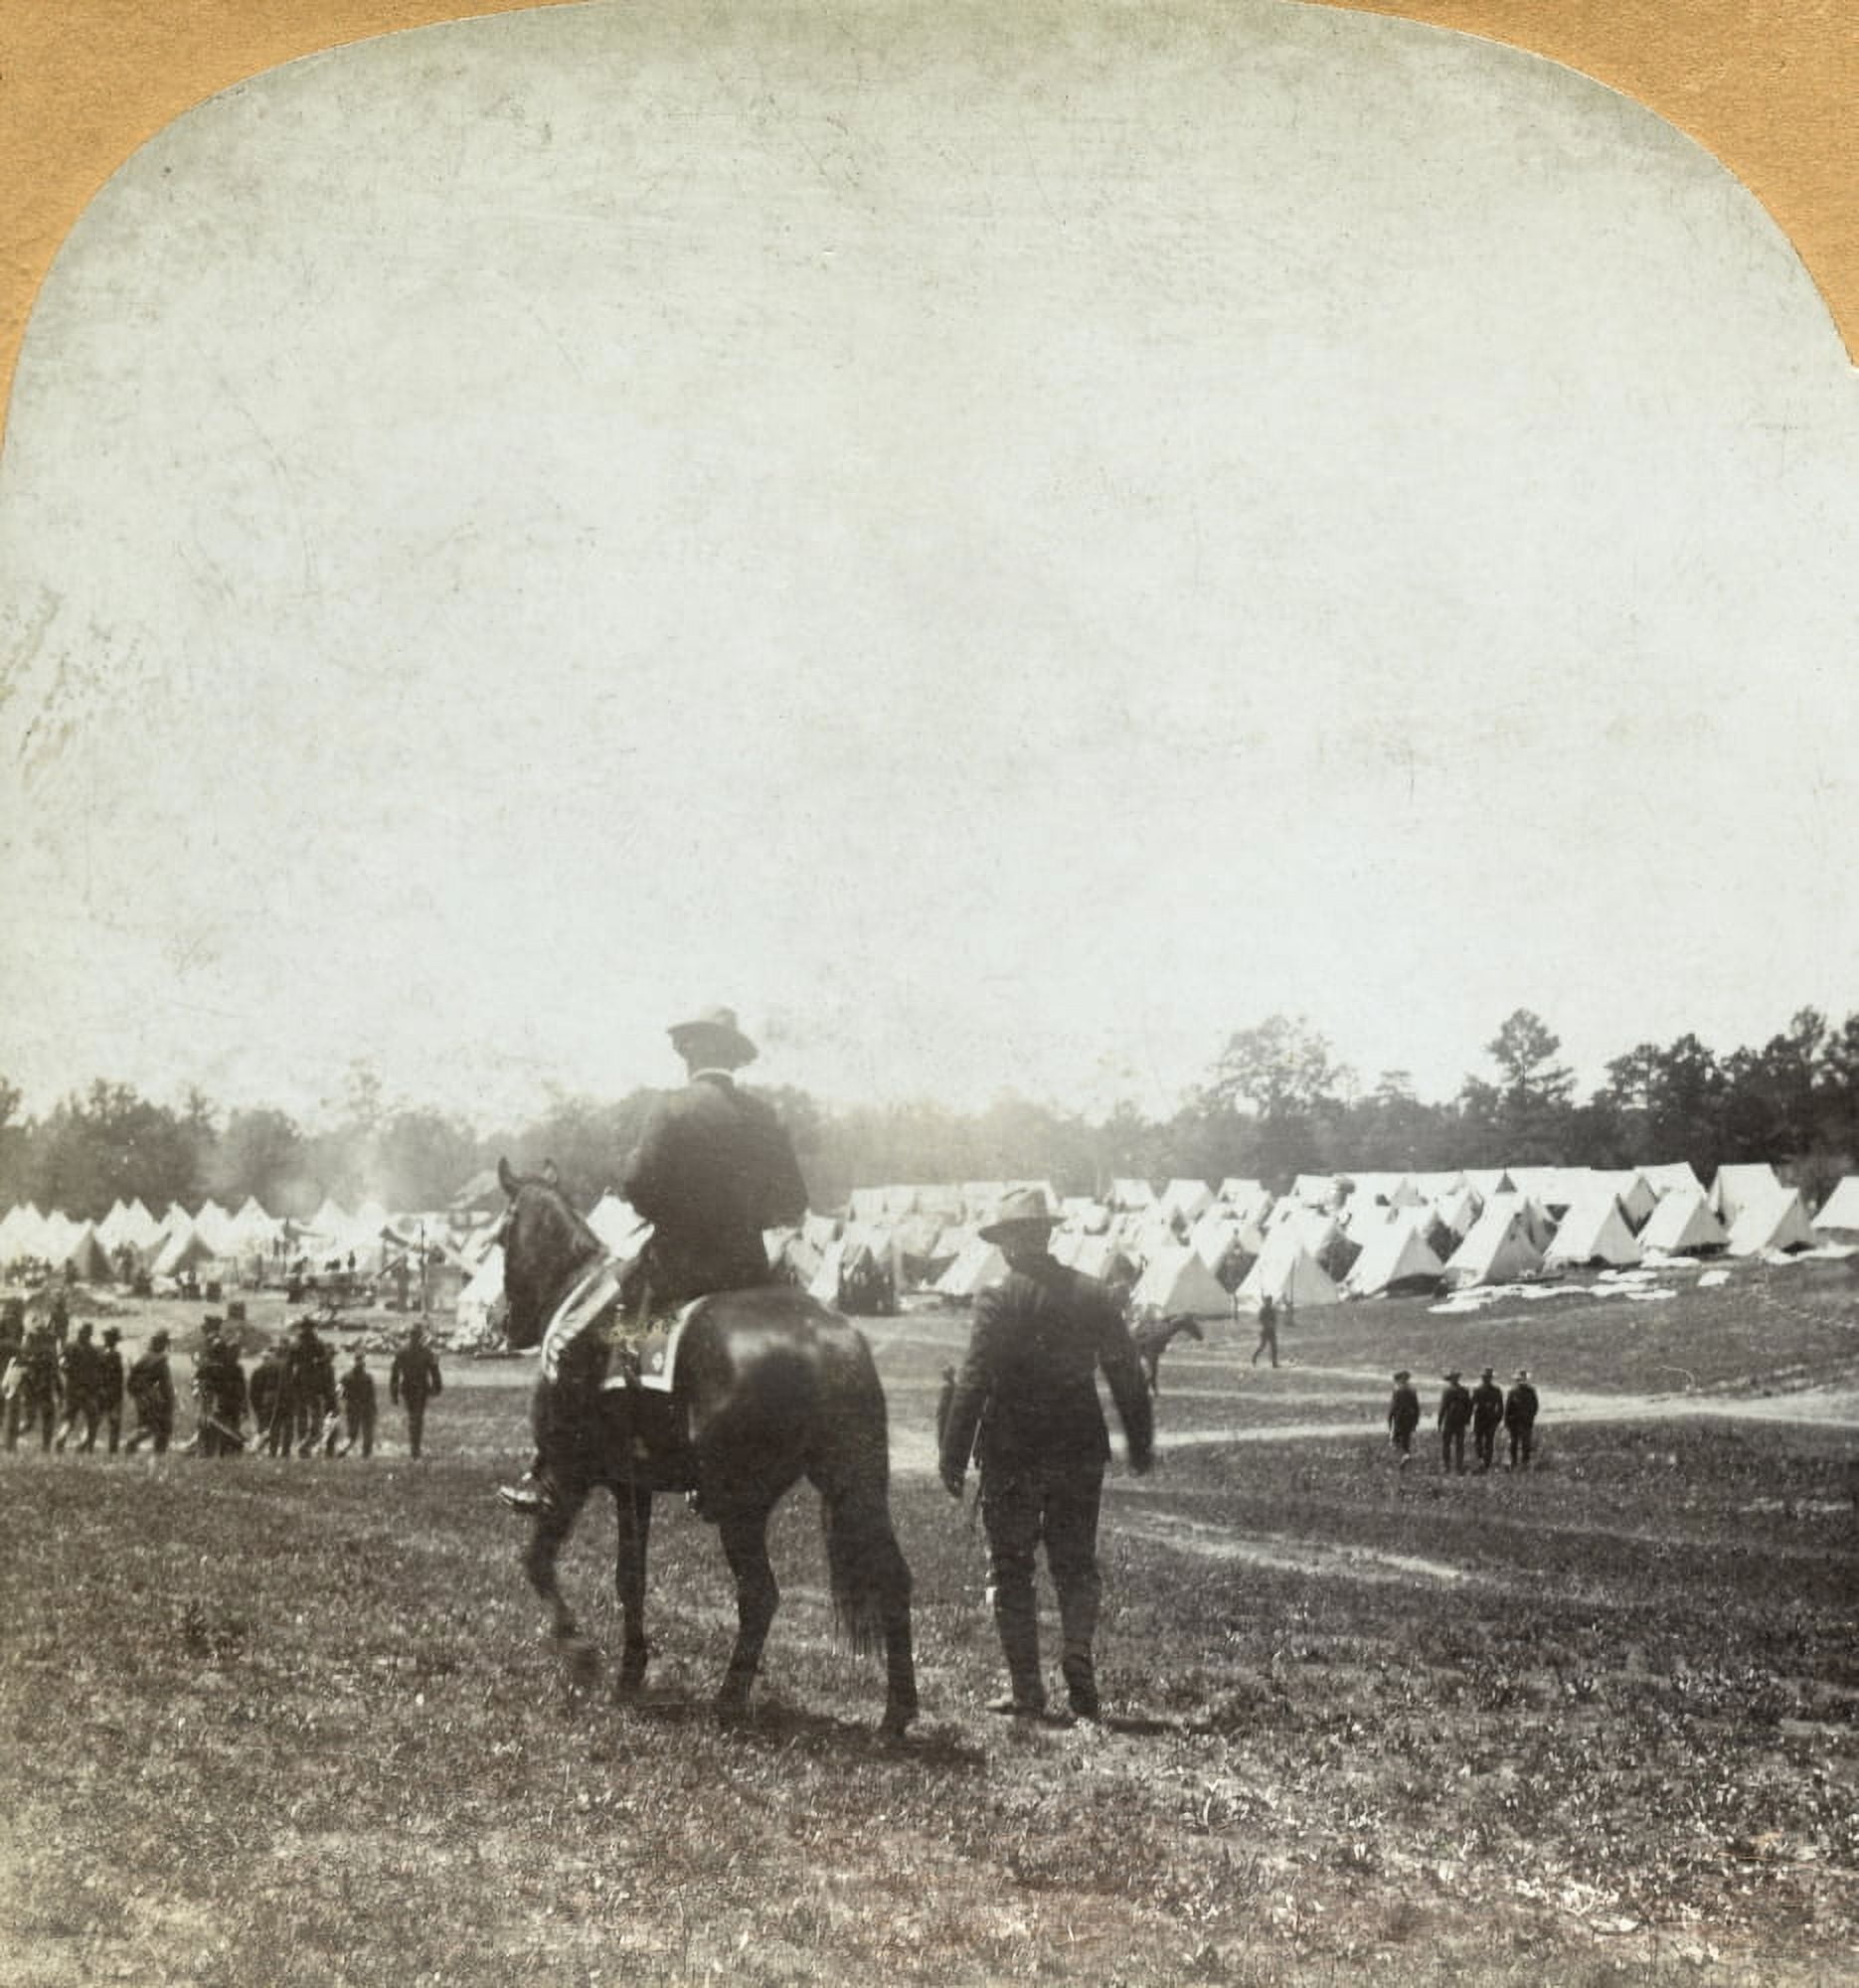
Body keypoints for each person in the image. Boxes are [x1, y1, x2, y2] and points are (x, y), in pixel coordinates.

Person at [501, 1004, 808, 1514]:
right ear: (734, 1058)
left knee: (579, 1337)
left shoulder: (673, 1107)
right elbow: (793, 1198)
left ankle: (559, 1473)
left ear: (690, 1053)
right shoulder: (764, 1116)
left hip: (679, 1270)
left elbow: (639, 1185)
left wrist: (669, 1207)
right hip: (751, 1273)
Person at [937, 1186, 1154, 1723]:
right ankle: (1077, 1653)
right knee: (1075, 1564)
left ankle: (1028, 1690)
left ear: (1009, 1243)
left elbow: (972, 1382)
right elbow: (1126, 1371)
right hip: (1079, 1448)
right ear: (1047, 1234)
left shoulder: (995, 1298)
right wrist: (1141, 1441)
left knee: (1010, 1569)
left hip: (1011, 1452)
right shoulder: (1092, 1293)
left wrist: (953, 1453)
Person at [389, 1323, 442, 1458]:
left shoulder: (401, 1352)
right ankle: (415, 1448)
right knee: (417, 1417)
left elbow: (394, 1375)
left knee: (414, 1417)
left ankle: (415, 1447)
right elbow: (435, 1372)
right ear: (420, 1337)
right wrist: (437, 1388)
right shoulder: (426, 1352)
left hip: (408, 1389)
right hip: (421, 1389)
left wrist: (394, 1394)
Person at [9, 1319, 62, 1451]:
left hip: (43, 1384)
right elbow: (22, 1361)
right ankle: (11, 1439)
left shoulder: (48, 1342)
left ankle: (45, 1447)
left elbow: (54, 1367)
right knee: (31, 1421)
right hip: (33, 1383)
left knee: (46, 1416)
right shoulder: (33, 1342)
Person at [55, 1320, 104, 1451]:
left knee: (69, 1420)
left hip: (71, 1388)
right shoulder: (93, 1351)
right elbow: (97, 1371)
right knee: (93, 1418)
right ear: (89, 1334)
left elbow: (62, 1364)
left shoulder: (69, 1347)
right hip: (87, 1390)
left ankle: (61, 1439)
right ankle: (83, 1445)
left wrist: (69, 1373)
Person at [124, 1330, 176, 1454]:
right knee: (162, 1426)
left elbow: (131, 1380)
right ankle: (154, 1451)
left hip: (141, 1397)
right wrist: (170, 1400)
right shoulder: (161, 1360)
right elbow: (166, 1384)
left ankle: (132, 1445)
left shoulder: (145, 1357)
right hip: (152, 1398)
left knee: (147, 1425)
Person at [248, 1339, 287, 1455]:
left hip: (265, 1400)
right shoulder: (281, 1368)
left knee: (264, 1426)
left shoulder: (259, 1370)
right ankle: (271, 1451)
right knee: (276, 1426)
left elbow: (253, 1391)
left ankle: (258, 1449)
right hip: (278, 1399)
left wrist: (256, 1406)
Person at [338, 1352, 378, 1458]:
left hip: (352, 1407)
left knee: (352, 1434)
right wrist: (374, 1409)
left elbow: (339, 1393)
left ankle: (342, 1451)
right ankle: (366, 1454)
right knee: (367, 1432)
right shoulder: (368, 1377)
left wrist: (346, 1398)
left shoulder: (346, 1376)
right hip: (366, 1407)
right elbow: (372, 1395)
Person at [96, 1325, 126, 1453]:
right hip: (113, 1392)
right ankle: (112, 1449)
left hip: (101, 1390)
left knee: (96, 1420)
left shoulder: (99, 1352)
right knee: (114, 1422)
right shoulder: (115, 1355)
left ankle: (85, 1443)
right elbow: (117, 1377)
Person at [1469, 1366, 1505, 1472]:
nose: (1487, 1379)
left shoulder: (1479, 1389)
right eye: (1486, 1377)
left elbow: (1500, 1406)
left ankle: (1484, 1462)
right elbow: (1471, 1405)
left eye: (1488, 1377)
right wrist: (1498, 1418)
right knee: (1483, 1441)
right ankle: (1484, 1461)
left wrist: (1498, 1418)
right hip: (1486, 1418)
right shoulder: (1493, 1390)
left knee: (1485, 1441)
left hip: (1483, 1418)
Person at [1436, 1369, 1472, 1475]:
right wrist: (1468, 1420)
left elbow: (1443, 1407)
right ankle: (1459, 1467)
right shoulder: (1464, 1390)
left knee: (1446, 1444)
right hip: (1460, 1421)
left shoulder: (1447, 1391)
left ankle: (1447, 1467)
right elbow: (1469, 1407)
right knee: (1459, 1445)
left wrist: (1439, 1421)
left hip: (1449, 1420)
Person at [1504, 1369, 1540, 1470]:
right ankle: (1513, 1462)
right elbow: (1508, 1408)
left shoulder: (1531, 1391)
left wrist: (1530, 1417)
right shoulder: (1512, 1392)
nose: (1521, 1382)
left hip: (1526, 1422)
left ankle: (1525, 1462)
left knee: (1526, 1443)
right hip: (1514, 1422)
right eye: (1519, 1380)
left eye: (1523, 1379)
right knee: (1513, 1443)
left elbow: (1535, 1406)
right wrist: (1507, 1422)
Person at [1387, 1370, 1421, 1465]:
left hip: (1399, 1418)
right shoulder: (1412, 1390)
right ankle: (1406, 1455)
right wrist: (1416, 1421)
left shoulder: (1397, 1390)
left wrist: (1389, 1419)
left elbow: (1393, 1407)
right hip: (1410, 1418)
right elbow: (1416, 1407)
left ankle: (1404, 1456)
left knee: (1396, 1439)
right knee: (1406, 1438)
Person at [1250, 1294, 1278, 1370]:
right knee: (1262, 1346)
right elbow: (1260, 1320)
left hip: (1271, 1331)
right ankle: (1254, 1358)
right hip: (1265, 1331)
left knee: (1274, 1347)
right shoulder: (1262, 1310)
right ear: (1265, 1301)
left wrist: (1273, 1324)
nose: (1269, 1302)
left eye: (1270, 1301)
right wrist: (1267, 1323)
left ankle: (1274, 1363)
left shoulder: (1272, 1310)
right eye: (1268, 1301)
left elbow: (1275, 1319)